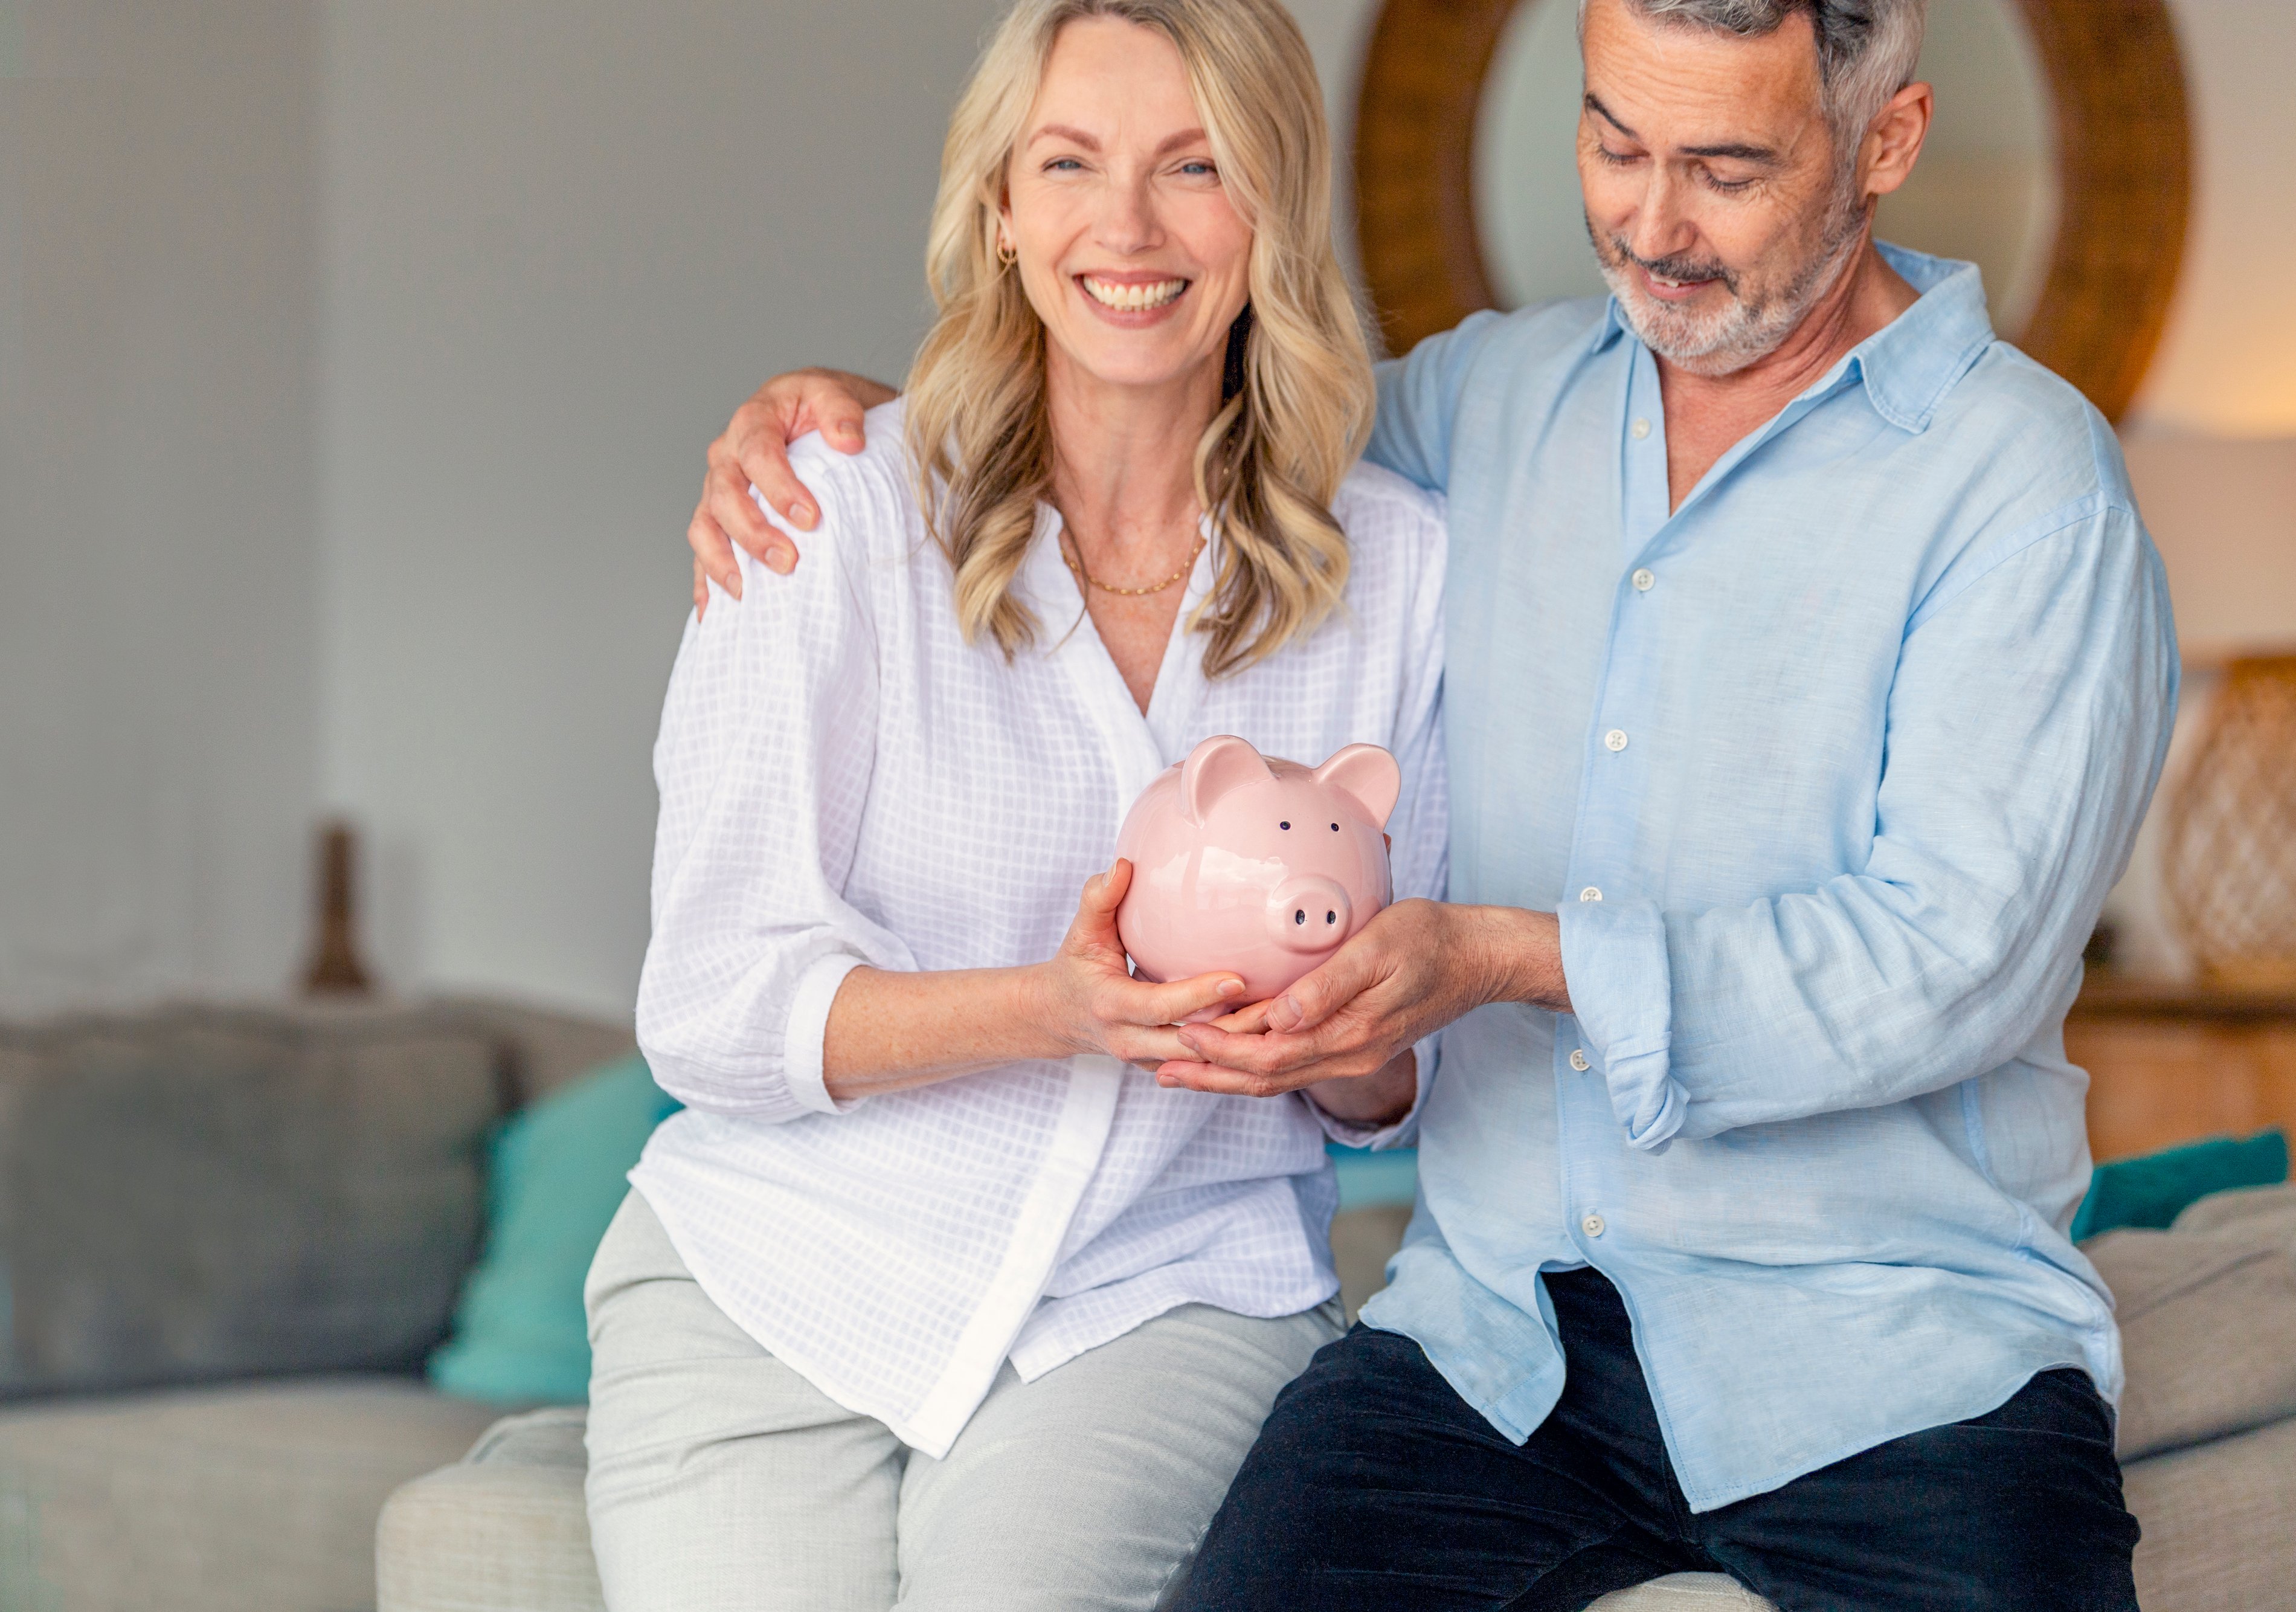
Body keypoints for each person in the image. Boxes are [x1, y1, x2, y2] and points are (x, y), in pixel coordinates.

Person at [684, 1, 2181, 1608]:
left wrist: (1507, 956)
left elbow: (1952, 959)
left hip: (1898, 1366)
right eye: (1614, 142)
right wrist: (870, 434)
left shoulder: (2029, 492)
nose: (1653, 222)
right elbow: (1173, 414)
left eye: (1726, 169)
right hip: (1496, 1344)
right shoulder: (1491, 402)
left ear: (1886, 142)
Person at [592, 3, 1449, 1610]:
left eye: (1195, 166)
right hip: (781, 1286)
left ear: (1274, 200)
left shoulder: (1401, 572)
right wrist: (1054, 1010)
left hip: (1163, 1292)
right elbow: (709, 1010)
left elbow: (1402, 1075)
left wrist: (1348, 1035)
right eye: (1070, 163)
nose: (1127, 227)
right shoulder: (823, 515)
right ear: (1001, 207)